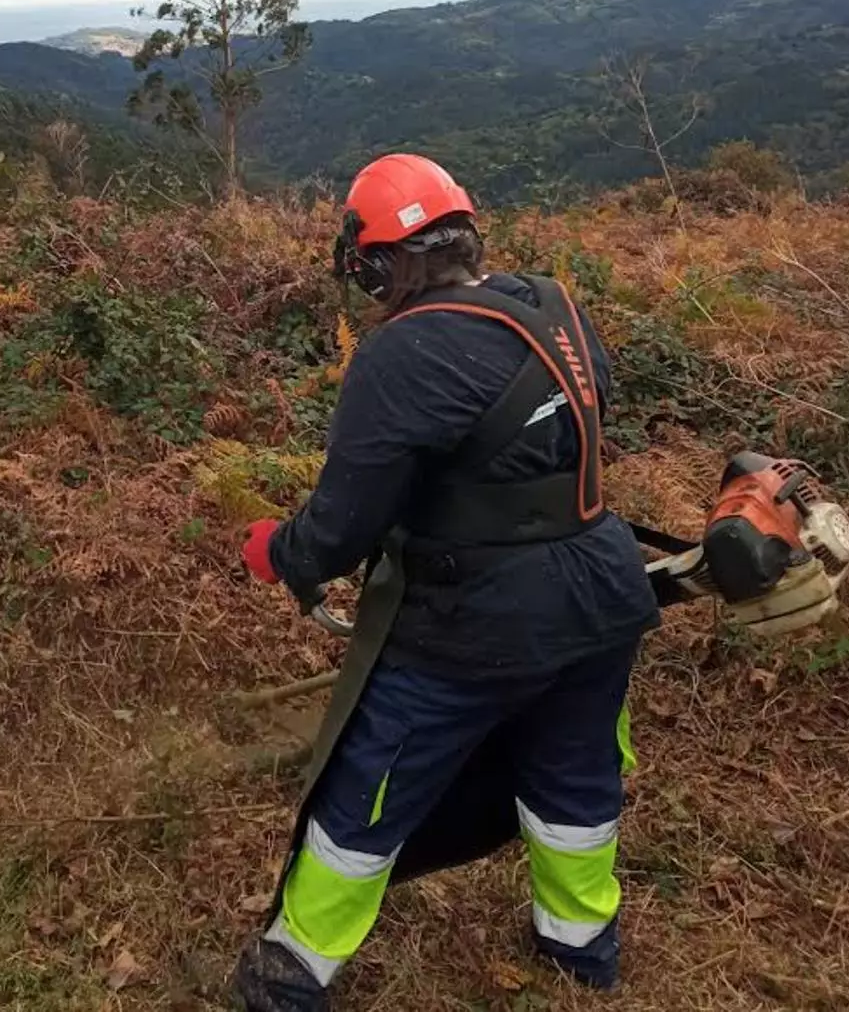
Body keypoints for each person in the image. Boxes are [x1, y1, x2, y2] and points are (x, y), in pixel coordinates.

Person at [233, 153, 661, 1012]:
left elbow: (343, 521)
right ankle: (582, 950)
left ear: (384, 262)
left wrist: (279, 552)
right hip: (601, 600)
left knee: (366, 789)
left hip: (472, 625)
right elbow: (569, 424)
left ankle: (290, 975)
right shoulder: (553, 304)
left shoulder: (405, 352)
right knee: (575, 779)